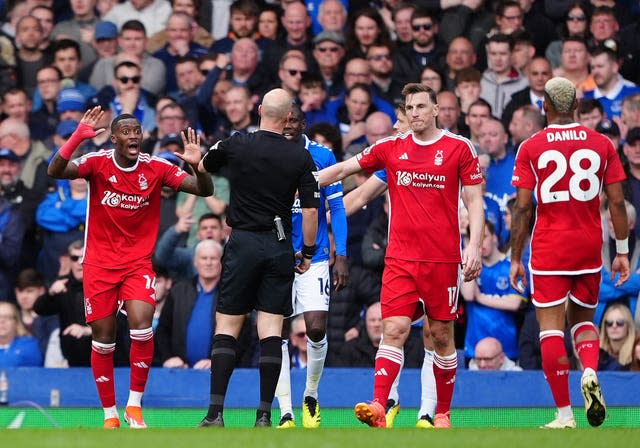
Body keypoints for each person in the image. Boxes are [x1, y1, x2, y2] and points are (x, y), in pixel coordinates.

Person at [318, 83, 485, 429]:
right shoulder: (392, 153)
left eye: (420, 107)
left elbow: (474, 201)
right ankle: (380, 404)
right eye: (409, 109)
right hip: (400, 260)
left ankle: (438, 412)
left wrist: (473, 245)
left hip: (441, 260)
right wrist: (308, 186)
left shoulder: (457, 149)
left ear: (436, 109)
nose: (410, 117)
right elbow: (352, 184)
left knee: (439, 336)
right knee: (393, 328)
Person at [47, 106, 213, 428]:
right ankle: (110, 414)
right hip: (98, 264)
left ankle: (134, 406)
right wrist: (77, 138)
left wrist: (199, 167)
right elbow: (56, 170)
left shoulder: (156, 168)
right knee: (104, 339)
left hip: (137, 264)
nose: (133, 136)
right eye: (126, 132)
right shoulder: (97, 163)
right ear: (114, 138)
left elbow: (203, 190)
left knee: (142, 323)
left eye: (137, 131)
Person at [509, 76, 630, 429]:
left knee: (550, 329)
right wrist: (620, 250)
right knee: (583, 321)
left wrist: (516, 257)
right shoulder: (601, 144)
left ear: (544, 107)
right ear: (577, 105)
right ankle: (589, 369)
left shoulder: (531, 146)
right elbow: (618, 202)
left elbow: (522, 208)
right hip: (589, 245)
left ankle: (564, 414)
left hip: (550, 247)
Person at [197, 88, 319, 428]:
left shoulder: (237, 144)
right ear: (287, 118)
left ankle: (215, 414)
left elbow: (204, 166)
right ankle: (264, 415)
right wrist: (307, 252)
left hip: (243, 243)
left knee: (228, 326)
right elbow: (310, 212)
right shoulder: (299, 157)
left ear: (261, 109)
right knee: (270, 330)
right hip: (278, 245)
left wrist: (198, 160)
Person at [274, 104, 348, 429]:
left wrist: (340, 253)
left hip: (315, 256)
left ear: (303, 123)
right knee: (273, 333)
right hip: (276, 257)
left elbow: (337, 206)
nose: (288, 125)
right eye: (283, 119)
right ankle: (286, 411)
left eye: (294, 120)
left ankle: (311, 394)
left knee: (316, 328)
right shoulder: (267, 154)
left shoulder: (322, 156)